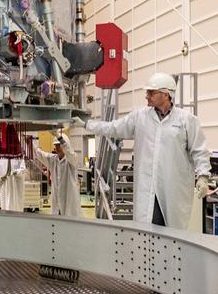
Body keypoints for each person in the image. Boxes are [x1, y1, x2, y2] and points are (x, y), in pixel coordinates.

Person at [80, 72, 210, 229]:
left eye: (151, 92)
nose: (147, 96)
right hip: (147, 188)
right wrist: (87, 124)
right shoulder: (140, 117)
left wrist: (203, 176)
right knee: (148, 231)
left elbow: (199, 150)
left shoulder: (186, 120)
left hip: (173, 189)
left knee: (173, 232)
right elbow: (113, 128)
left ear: (166, 94)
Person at [31, 133, 82, 217]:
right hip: (57, 203)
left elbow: (69, 152)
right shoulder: (53, 160)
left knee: (70, 221)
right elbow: (39, 154)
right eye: (56, 145)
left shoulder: (72, 160)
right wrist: (30, 142)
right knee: (57, 221)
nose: (57, 148)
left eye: (59, 145)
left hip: (70, 202)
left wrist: (60, 138)